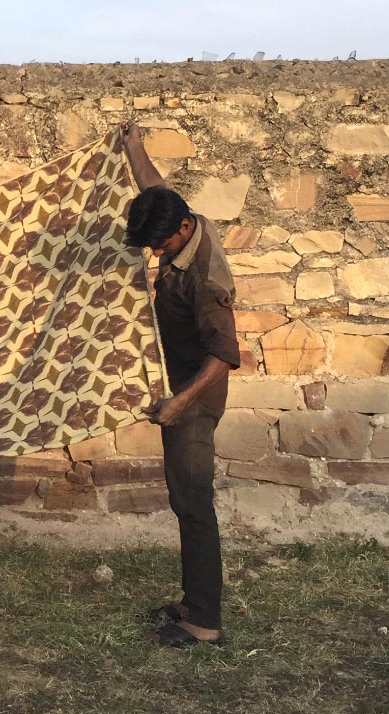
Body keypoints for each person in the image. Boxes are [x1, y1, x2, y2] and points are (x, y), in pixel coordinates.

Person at [120, 122, 240, 647]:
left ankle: (204, 622)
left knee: (193, 501)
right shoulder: (180, 219)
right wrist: (132, 146)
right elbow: (154, 188)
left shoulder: (207, 280)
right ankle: (193, 600)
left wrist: (179, 403)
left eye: (161, 244)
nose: (156, 252)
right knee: (183, 499)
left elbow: (225, 355)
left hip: (195, 394)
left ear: (185, 229)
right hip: (179, 386)